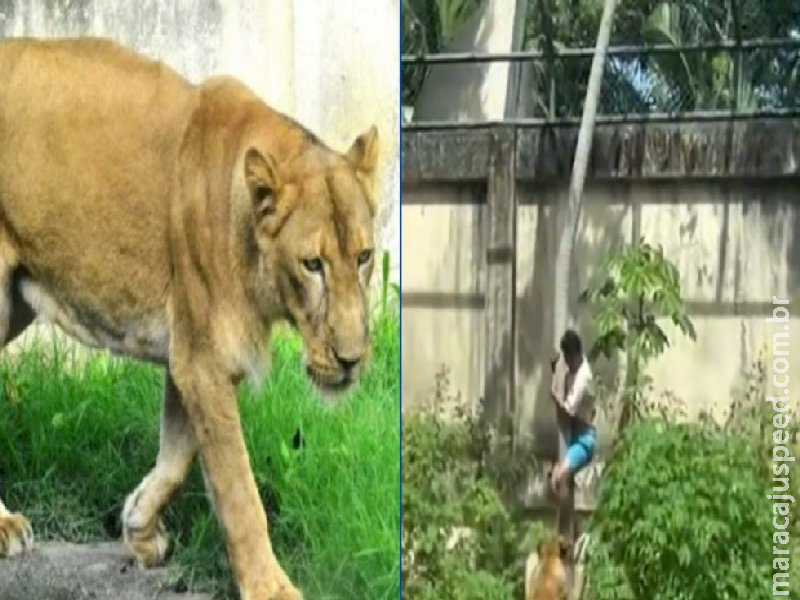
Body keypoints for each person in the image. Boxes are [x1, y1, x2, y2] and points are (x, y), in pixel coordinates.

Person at [548, 329, 595, 500]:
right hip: (571, 435)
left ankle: (567, 525)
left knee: (561, 478)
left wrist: (555, 398)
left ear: (576, 354)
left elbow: (568, 410)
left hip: (584, 439)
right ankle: (572, 524)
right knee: (556, 481)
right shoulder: (575, 368)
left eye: (568, 359)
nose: (566, 364)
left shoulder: (583, 378)